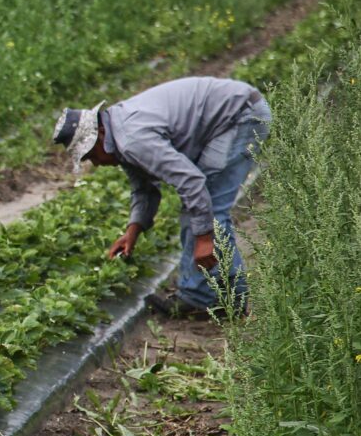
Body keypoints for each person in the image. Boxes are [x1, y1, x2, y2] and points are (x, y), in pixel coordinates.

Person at [52, 76, 270, 319]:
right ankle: (218, 298)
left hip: (240, 117)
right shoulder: (118, 132)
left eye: (91, 155)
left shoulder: (133, 139)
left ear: (100, 135)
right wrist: (133, 230)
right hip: (232, 116)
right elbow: (143, 188)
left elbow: (192, 182)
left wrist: (204, 239)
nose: (96, 163)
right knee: (199, 209)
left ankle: (213, 299)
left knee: (208, 207)